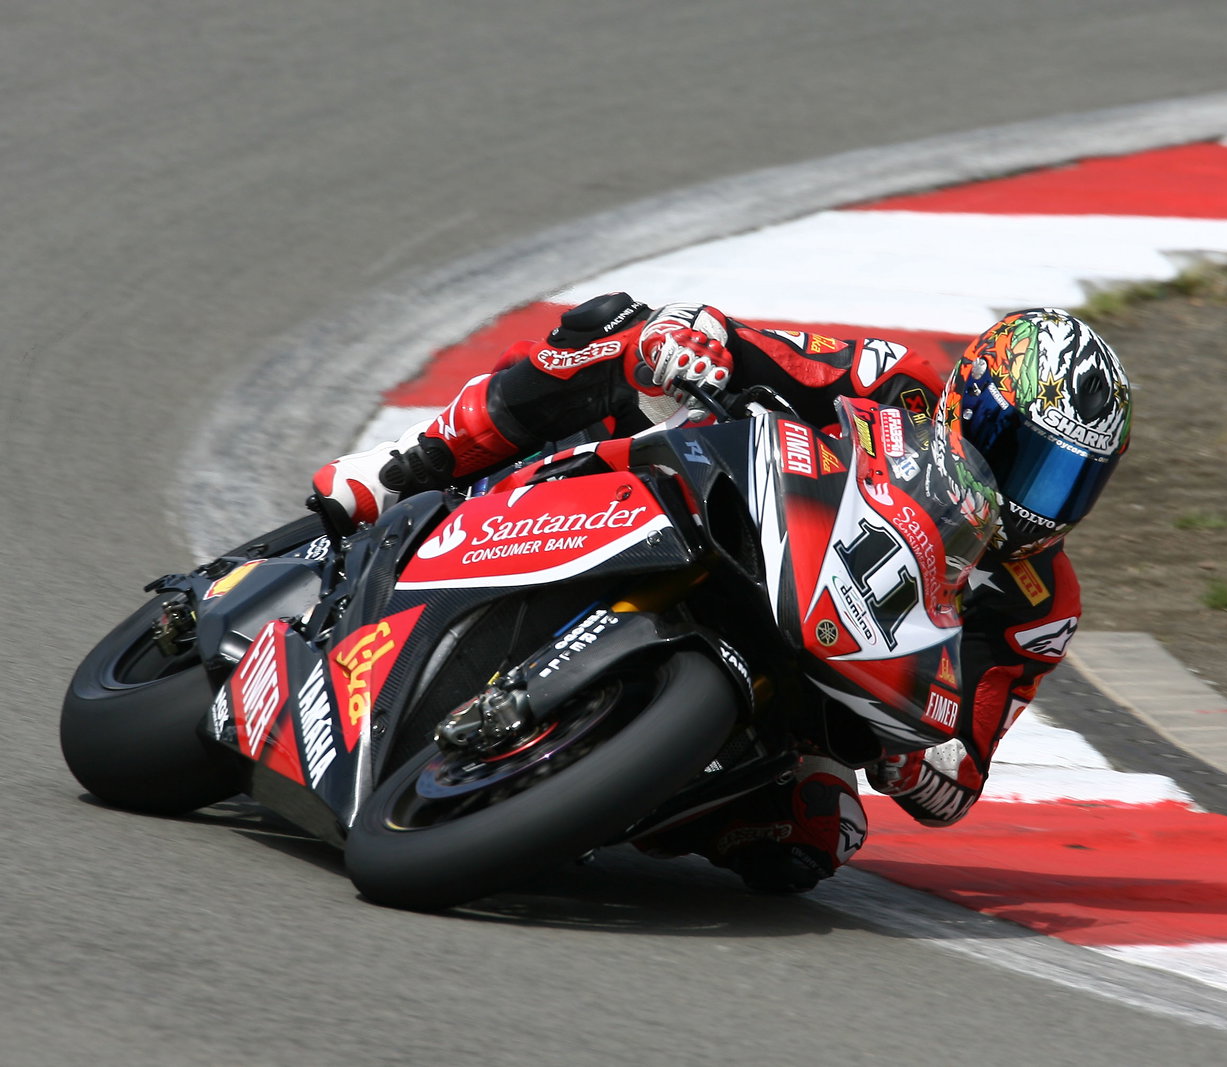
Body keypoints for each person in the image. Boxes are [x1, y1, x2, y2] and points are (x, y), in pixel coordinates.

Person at [312, 292, 1131, 892]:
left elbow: (961, 775)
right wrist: (695, 343)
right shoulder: (895, 383)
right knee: (617, 333)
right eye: (1030, 459)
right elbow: (751, 344)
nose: (1040, 498)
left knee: (816, 827)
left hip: (824, 676)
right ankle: (406, 466)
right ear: (972, 407)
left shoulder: (1038, 604)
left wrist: (917, 758)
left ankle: (585, 792)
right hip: (739, 518)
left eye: (1070, 481)